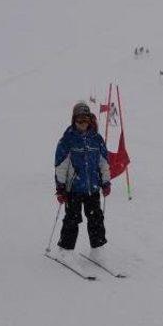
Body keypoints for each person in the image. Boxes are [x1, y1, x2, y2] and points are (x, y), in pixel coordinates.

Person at [54, 101, 111, 258]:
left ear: (89, 120)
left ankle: (97, 251)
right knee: (72, 220)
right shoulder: (67, 140)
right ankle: (65, 251)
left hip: (92, 188)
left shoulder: (97, 139)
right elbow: (61, 166)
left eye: (85, 120)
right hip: (74, 189)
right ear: (74, 120)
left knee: (96, 219)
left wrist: (105, 182)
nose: (82, 123)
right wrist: (60, 188)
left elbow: (104, 163)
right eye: (79, 120)